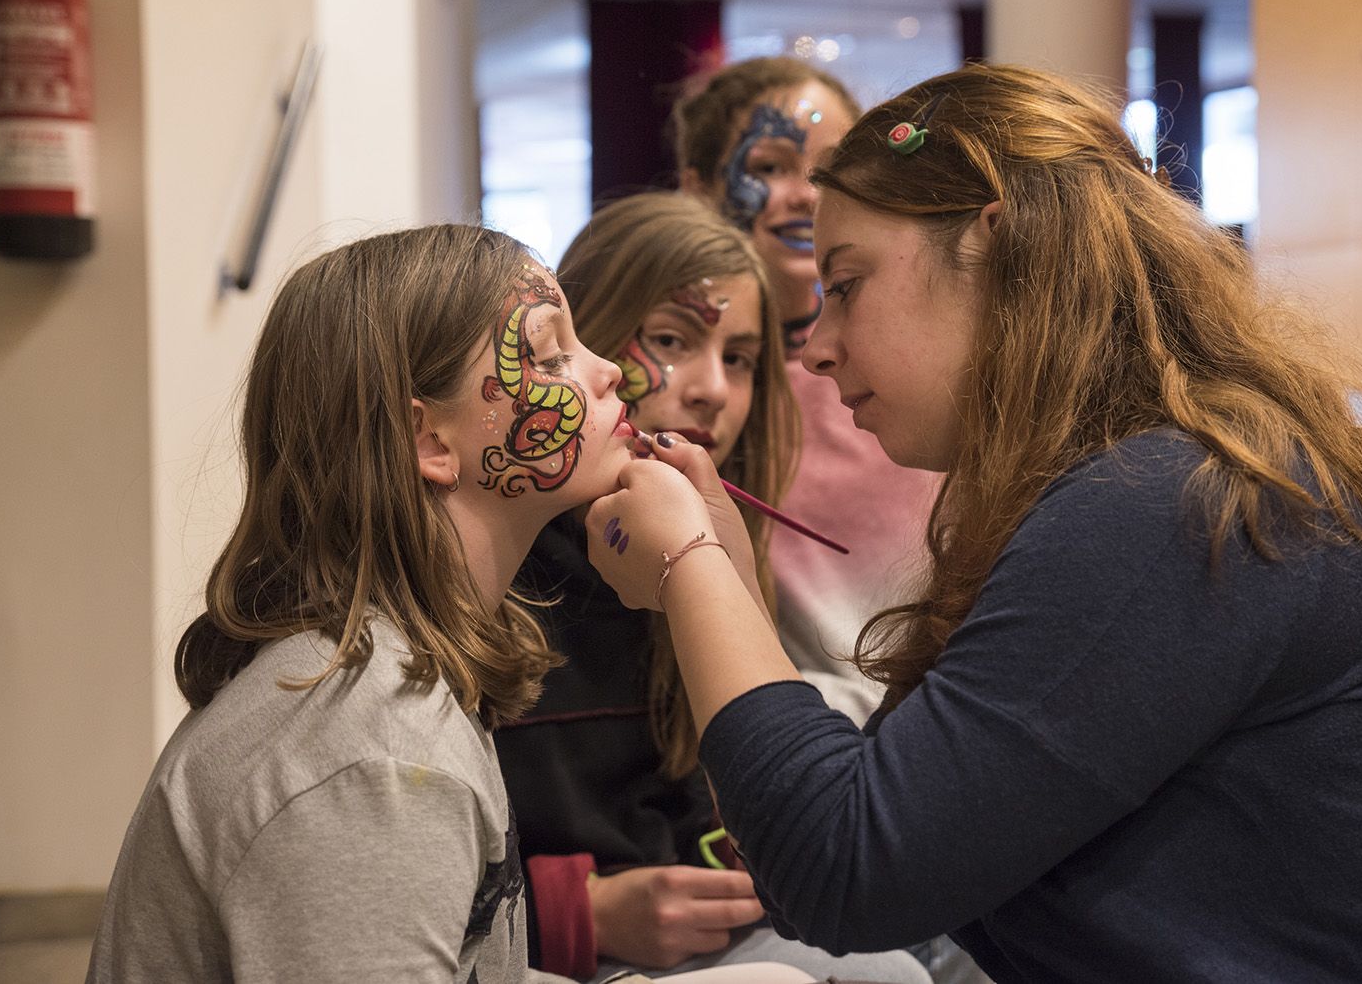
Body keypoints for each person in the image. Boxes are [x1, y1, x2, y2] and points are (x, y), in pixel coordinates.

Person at [586, 65, 1362, 981]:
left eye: (845, 286)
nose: (819, 349)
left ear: (995, 245)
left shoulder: (1170, 502)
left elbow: (842, 868)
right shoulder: (1133, 480)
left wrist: (691, 559)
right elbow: (875, 825)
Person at [84, 225, 809, 984]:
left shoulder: (410, 668)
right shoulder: (374, 754)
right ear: (429, 439)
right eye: (551, 354)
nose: (609, 376)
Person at [494, 193, 929, 984]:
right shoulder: (498, 566)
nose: (713, 392)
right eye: (670, 340)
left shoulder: (711, 546)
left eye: (739, 358)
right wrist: (581, 913)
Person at [673, 58, 940, 725]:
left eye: (831, 169)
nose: (807, 195)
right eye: (769, 168)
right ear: (699, 190)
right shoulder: (685, 393)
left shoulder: (932, 373)